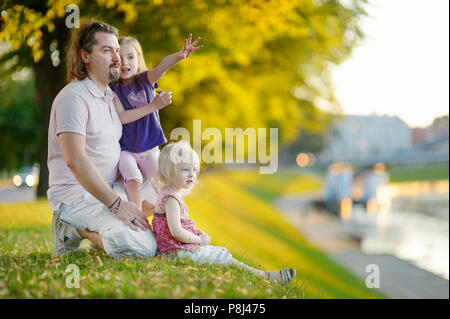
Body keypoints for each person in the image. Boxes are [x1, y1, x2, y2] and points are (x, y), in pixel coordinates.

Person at [48, 21, 157, 258]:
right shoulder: (74, 98)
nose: (117, 57)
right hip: (77, 196)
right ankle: (73, 226)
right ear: (85, 56)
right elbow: (75, 159)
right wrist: (118, 206)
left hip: (110, 187)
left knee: (168, 193)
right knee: (142, 248)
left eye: (117, 50)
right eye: (107, 50)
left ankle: (108, 227)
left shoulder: (109, 96)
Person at [152, 141, 297, 285]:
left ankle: (267, 275)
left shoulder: (170, 194)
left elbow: (179, 225)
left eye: (194, 170)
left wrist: (197, 232)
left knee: (219, 252)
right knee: (222, 256)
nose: (192, 175)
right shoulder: (171, 199)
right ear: (169, 171)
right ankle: (268, 277)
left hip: (177, 248)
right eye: (185, 170)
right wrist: (199, 240)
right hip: (175, 252)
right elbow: (176, 231)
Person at [110, 34, 203, 212]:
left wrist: (180, 55)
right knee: (133, 178)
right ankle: (136, 217)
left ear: (139, 60)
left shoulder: (145, 80)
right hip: (126, 150)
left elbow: (163, 66)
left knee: (161, 181)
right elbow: (122, 117)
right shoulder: (113, 89)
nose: (125, 62)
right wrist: (153, 106)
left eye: (130, 57)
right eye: (120, 58)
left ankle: (176, 214)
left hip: (149, 149)